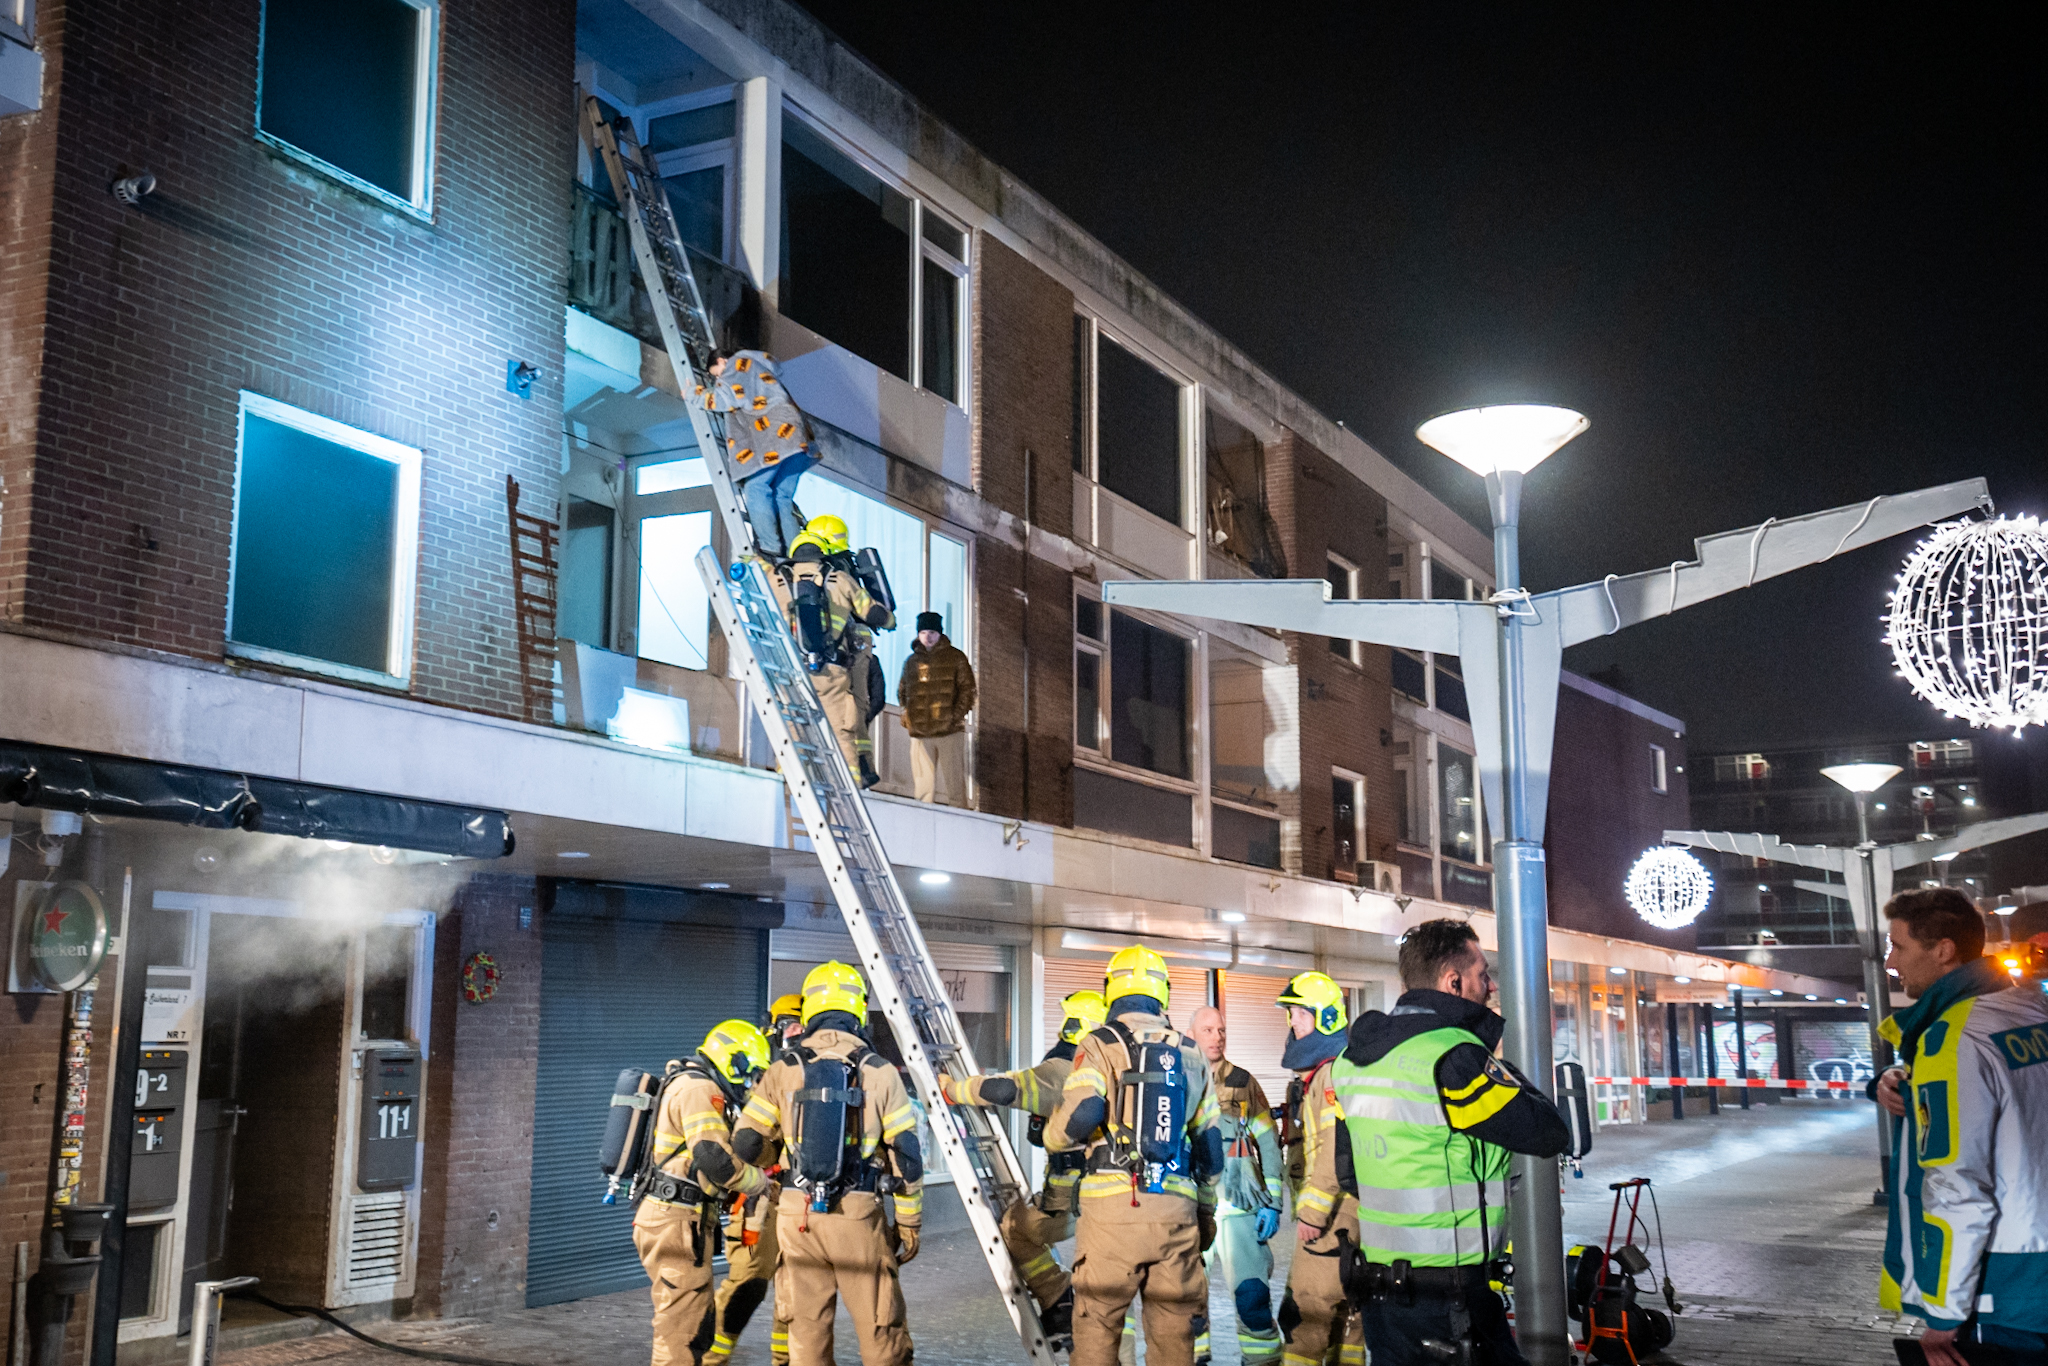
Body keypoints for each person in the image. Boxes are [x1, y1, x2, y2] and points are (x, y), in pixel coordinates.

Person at [1334, 919, 1570, 1366]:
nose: (1491, 985)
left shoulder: (1354, 1059)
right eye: (1483, 973)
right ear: (1453, 981)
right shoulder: (1453, 1057)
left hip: (1380, 1296)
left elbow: (1349, 1175)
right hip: (1450, 1300)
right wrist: (1495, 1062)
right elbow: (1547, 1132)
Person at [1870, 888, 2048, 1365]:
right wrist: (1903, 1078)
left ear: (1943, 950)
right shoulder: (2029, 1013)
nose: (1890, 962)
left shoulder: (1953, 1039)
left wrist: (1944, 1315)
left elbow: (1957, 1186)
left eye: (1899, 946)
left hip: (2004, 1293)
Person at [733, 962, 922, 1366]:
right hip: (856, 1216)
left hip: (795, 1217)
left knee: (806, 1334)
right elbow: (906, 1153)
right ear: (858, 1008)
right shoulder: (880, 1071)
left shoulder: (782, 1069)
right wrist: (908, 1222)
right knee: (880, 1330)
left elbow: (746, 1142)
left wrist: (782, 1163)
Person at [1046, 945, 1224, 1366]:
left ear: (1111, 991)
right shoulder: (1191, 1052)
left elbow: (1083, 1111)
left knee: (1097, 1333)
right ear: (1162, 993)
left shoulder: (1099, 1043)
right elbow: (1211, 1150)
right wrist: (1205, 1211)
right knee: (1174, 1341)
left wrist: (1054, 1138)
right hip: (1175, 1217)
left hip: (1111, 1217)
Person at [938, 988, 1109, 1338]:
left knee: (1014, 1227)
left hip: (1072, 1209)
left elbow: (1001, 1090)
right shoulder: (1111, 1075)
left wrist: (952, 1090)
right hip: (1110, 1205)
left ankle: (1058, 1297)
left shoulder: (1063, 1071)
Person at [632, 1019, 774, 1366]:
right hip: (678, 1222)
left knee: (693, 1323)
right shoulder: (698, 1089)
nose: (747, 1082)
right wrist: (759, 1181)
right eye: (749, 1072)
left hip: (676, 1219)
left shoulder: (685, 1082)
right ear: (733, 1059)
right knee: (681, 1334)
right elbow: (713, 1159)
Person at [706, 995, 811, 1365]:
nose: (798, 1034)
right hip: (761, 1200)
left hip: (801, 1200)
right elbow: (745, 1140)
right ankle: (710, 1359)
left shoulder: (816, 1070)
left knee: (796, 1289)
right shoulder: (759, 1072)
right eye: (791, 1026)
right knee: (748, 1285)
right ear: (775, 1028)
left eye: (804, 1026)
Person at [1273, 971, 1365, 1366]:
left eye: (1300, 1013)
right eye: (1291, 1013)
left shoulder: (1329, 1074)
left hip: (1332, 1219)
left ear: (1326, 1018)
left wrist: (1312, 1212)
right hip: (1354, 1215)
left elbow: (1332, 1150)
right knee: (1350, 1318)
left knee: (1305, 1314)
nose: (1292, 1021)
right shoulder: (1337, 1068)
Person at [1188, 1005, 1284, 1366]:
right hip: (1193, 1209)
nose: (1217, 1037)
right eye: (1208, 1030)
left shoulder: (1243, 1082)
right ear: (1192, 1034)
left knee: (1252, 1299)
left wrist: (1273, 1202)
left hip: (1239, 1210)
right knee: (1186, 1304)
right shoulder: (1178, 1079)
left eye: (1222, 1030)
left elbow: (1269, 1142)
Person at [781, 519, 894, 788]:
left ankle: (788, 777)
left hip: (797, 665)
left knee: (793, 722)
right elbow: (874, 613)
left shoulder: (782, 577)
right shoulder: (841, 574)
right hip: (841, 661)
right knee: (846, 722)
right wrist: (889, 621)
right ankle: (855, 777)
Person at [696, 349, 815, 559]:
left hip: (778, 437)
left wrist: (694, 394)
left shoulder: (736, 364)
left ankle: (769, 548)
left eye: (717, 374)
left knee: (756, 488)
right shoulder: (758, 365)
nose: (718, 379)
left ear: (722, 360)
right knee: (781, 496)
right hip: (797, 438)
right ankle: (795, 551)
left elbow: (723, 399)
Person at [897, 611, 975, 805]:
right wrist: (910, 716)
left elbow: (968, 690)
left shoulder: (956, 657)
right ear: (918, 634)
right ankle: (923, 825)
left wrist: (954, 717)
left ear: (940, 633)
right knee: (923, 790)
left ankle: (960, 822)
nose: (928, 636)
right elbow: (902, 691)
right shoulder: (911, 662)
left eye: (932, 632)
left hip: (949, 731)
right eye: (923, 632)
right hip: (920, 732)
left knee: (955, 786)